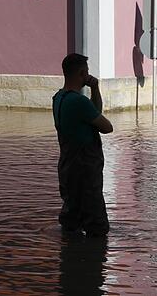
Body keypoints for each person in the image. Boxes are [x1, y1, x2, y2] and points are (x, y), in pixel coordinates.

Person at [53, 53, 114, 237]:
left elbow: (93, 112)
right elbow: (107, 127)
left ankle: (70, 259)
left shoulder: (59, 98)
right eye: (86, 72)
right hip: (85, 170)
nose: (88, 76)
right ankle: (94, 262)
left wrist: (94, 88)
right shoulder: (79, 101)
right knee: (97, 225)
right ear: (81, 73)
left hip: (67, 167)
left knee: (72, 219)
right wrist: (94, 87)